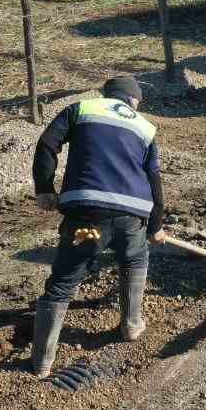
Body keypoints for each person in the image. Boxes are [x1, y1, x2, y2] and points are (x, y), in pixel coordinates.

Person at [30, 76, 166, 377]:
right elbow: (154, 181)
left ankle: (41, 362)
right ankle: (131, 325)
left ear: (107, 95)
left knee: (64, 280)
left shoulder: (81, 109)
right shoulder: (145, 127)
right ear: (133, 100)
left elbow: (47, 143)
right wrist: (156, 225)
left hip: (86, 213)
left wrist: (44, 188)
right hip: (132, 215)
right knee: (135, 256)